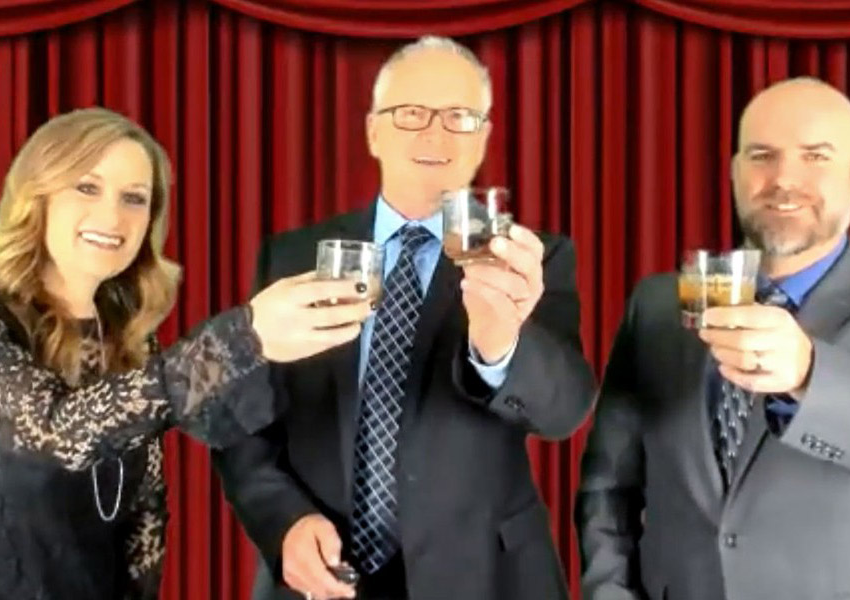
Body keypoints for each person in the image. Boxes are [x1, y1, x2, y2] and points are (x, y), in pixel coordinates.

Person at [214, 36, 595, 600]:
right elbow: (241, 420)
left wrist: (501, 346)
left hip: (487, 579)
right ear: (373, 132)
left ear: (483, 137)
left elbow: (565, 412)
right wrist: (283, 522)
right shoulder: (291, 256)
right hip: (323, 578)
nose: (435, 135)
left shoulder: (528, 257)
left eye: (459, 117)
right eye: (411, 113)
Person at [0, 107, 373, 600]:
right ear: (36, 196)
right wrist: (245, 336)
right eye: (87, 187)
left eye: (134, 198)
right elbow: (58, 432)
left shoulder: (128, 341)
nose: (112, 216)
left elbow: (143, 514)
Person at [576, 76, 850, 600]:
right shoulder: (658, 305)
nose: (783, 179)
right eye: (762, 156)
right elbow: (608, 487)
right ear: (735, 172)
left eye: (815, 156)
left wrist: (809, 375)